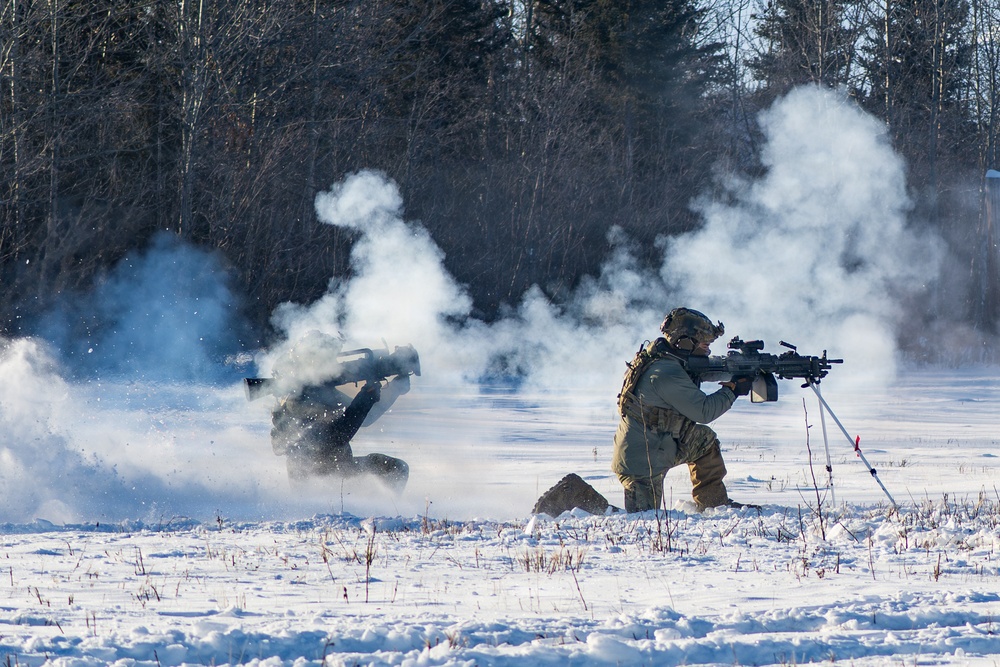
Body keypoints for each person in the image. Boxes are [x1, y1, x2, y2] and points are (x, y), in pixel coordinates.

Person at [611, 307, 755, 512]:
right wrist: (733, 391)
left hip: (659, 445)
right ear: (686, 342)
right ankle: (571, 498)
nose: (708, 350)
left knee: (704, 440)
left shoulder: (669, 359)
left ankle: (714, 504)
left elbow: (708, 368)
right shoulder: (665, 372)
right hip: (643, 461)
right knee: (642, 519)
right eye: (705, 344)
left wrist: (739, 367)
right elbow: (704, 412)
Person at [268, 334, 412, 493]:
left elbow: (366, 419)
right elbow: (336, 436)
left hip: (333, 469)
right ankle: (385, 511)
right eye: (329, 358)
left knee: (395, 468)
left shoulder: (311, 392)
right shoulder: (299, 399)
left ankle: (381, 510)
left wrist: (394, 388)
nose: (335, 365)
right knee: (396, 469)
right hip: (322, 479)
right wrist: (365, 398)